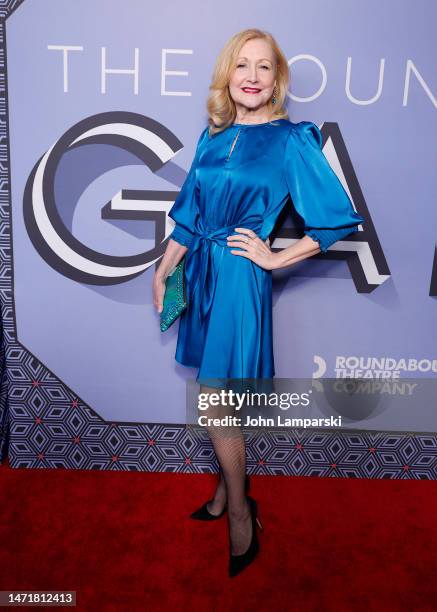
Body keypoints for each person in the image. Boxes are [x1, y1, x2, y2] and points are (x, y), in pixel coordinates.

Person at [153, 28, 364, 577]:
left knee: (216, 399)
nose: (251, 76)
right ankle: (227, 494)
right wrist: (166, 264)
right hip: (200, 270)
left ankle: (241, 514)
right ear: (228, 75)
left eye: (264, 67)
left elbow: (335, 217)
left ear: (277, 80)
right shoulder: (212, 135)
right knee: (214, 389)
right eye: (242, 65)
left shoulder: (291, 139)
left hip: (240, 278)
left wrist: (273, 258)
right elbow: (191, 214)